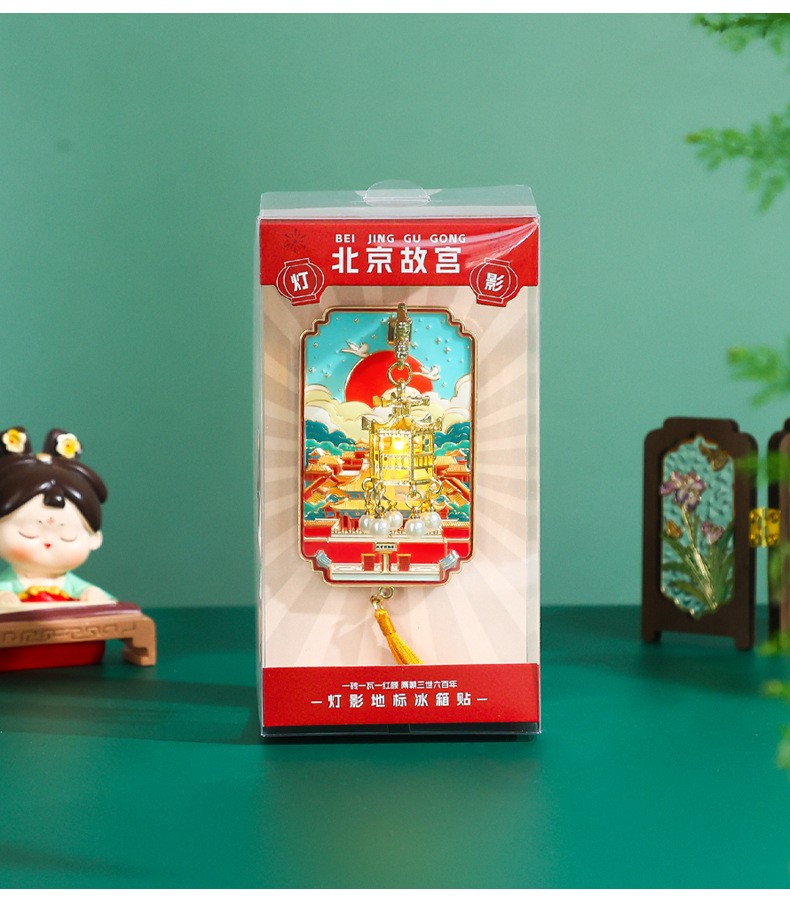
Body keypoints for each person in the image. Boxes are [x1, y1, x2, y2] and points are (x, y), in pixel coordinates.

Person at [0, 426, 115, 612]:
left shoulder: (74, 587)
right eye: (28, 533)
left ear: (94, 539)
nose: (48, 542)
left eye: (68, 536)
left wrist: (93, 594)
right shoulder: (7, 585)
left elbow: (103, 600)